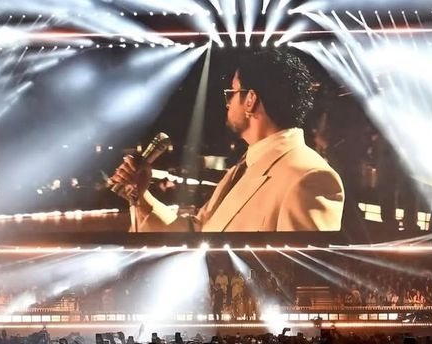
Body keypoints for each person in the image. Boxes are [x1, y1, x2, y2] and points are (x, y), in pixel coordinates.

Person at [110, 50, 345, 231]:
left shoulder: (308, 178)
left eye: (232, 92)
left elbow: (299, 275)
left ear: (250, 100)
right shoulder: (241, 168)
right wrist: (141, 196)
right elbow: (199, 232)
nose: (228, 104)